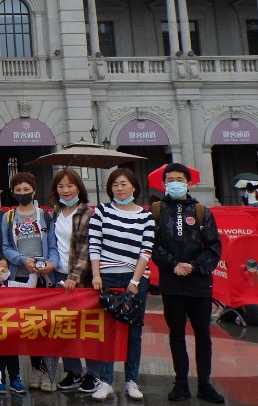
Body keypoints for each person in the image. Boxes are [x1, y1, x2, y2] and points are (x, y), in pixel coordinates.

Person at [151, 163, 224, 404]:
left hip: (199, 282)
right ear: (164, 183)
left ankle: (204, 383)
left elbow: (213, 248)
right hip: (172, 281)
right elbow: (153, 245)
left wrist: (193, 266)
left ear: (188, 183)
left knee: (203, 333)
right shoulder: (157, 210)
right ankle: (181, 382)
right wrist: (174, 264)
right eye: (170, 179)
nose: (174, 182)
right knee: (176, 333)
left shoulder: (202, 211)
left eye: (179, 179)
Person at [88, 167, 155, 402]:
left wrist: (135, 281)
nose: (120, 188)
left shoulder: (145, 215)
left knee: (133, 332)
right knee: (106, 331)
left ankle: (131, 380)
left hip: (135, 279)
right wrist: (96, 275)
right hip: (107, 277)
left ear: (134, 187)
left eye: (124, 183)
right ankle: (105, 381)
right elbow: (94, 243)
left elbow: (146, 249)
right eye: (115, 184)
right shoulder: (102, 211)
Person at [0, 171, 58, 391]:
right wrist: (22, 260)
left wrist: (51, 264)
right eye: (18, 190)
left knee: (47, 326)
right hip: (20, 276)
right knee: (28, 325)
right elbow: (5, 247)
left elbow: (52, 244)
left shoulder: (45, 216)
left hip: (45, 277)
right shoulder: (8, 217)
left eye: (26, 189)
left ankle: (50, 373)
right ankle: (36, 368)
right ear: (13, 193)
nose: (22, 193)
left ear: (34, 190)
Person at [49, 168, 98, 394]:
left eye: (70, 186)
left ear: (78, 187)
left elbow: (85, 250)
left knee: (85, 328)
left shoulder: (87, 214)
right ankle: (73, 371)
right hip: (57, 276)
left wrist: (74, 277)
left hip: (79, 279)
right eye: (61, 186)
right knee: (64, 327)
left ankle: (93, 374)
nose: (66, 190)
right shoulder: (55, 212)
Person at [0, 250, 37, 396]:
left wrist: (33, 272)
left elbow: (30, 287)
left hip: (12, 329)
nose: (5, 270)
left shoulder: (12, 284)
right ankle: (0, 383)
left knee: (14, 357)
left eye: (6, 267)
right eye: (1, 267)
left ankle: (15, 381)